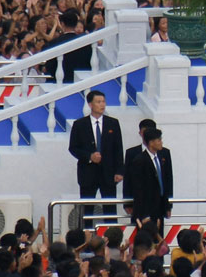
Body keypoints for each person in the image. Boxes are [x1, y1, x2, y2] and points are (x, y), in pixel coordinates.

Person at [67, 90, 125, 226]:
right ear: (90, 104)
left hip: (108, 173)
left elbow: (118, 148)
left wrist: (120, 170)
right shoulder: (80, 124)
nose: (102, 105)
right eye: (98, 102)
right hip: (88, 173)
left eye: (103, 101)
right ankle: (85, 238)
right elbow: (73, 148)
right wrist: (89, 157)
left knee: (110, 209)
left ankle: (111, 238)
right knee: (87, 210)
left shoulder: (113, 123)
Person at [124, 125, 173, 228]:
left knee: (159, 241)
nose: (161, 143)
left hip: (159, 208)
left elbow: (164, 184)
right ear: (151, 143)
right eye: (159, 140)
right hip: (146, 210)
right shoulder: (139, 160)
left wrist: (167, 207)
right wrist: (144, 215)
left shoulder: (160, 158)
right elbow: (138, 189)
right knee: (147, 241)